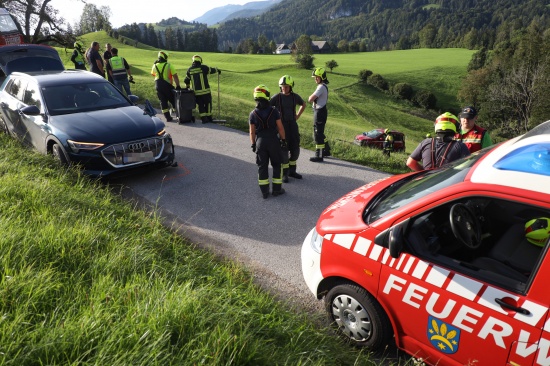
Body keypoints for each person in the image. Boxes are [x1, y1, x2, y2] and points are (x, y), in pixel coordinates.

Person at [249, 85, 287, 199]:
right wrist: (283, 140)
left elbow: (252, 132)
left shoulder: (253, 114)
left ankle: (264, 192)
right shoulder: (274, 111)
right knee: (276, 165)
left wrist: (253, 144)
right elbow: (280, 128)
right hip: (273, 141)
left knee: (262, 166)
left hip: (261, 142)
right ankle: (277, 190)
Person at [270, 75, 306, 182]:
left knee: (295, 150)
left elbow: (303, 104)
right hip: (282, 126)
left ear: (291, 87)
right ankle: (284, 174)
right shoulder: (277, 97)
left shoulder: (295, 97)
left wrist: (298, 115)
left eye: (286, 86)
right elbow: (267, 107)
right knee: (284, 151)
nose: (284, 89)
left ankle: (292, 171)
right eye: (282, 87)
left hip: (293, 126)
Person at [184, 55, 220, 123]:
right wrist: (217, 70)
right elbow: (211, 70)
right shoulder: (203, 67)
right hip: (206, 92)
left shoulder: (189, 70)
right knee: (208, 104)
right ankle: (209, 118)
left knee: (200, 105)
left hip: (196, 93)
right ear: (200, 61)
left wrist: (188, 87)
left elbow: (186, 80)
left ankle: (204, 119)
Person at [150, 50, 181, 122]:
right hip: (167, 86)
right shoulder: (169, 65)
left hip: (158, 86)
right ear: (165, 57)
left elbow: (153, 74)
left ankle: (168, 117)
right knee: (173, 100)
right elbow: (175, 76)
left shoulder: (154, 65)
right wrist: (178, 85)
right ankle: (178, 115)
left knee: (163, 102)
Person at [308, 67, 330, 162]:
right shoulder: (322, 86)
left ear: (322, 77)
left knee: (318, 134)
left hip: (319, 112)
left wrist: (310, 97)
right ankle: (327, 150)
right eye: (315, 77)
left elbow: (310, 99)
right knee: (320, 132)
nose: (315, 79)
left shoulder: (321, 87)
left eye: (317, 77)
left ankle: (319, 155)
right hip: (320, 111)